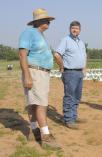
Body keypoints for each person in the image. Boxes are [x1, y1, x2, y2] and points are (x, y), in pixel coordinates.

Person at [19, 8, 61, 149]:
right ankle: (46, 136)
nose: (49, 22)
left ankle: (34, 131)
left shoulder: (39, 34)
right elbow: (22, 55)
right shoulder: (29, 33)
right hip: (35, 73)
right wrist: (27, 75)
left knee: (34, 103)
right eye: (46, 20)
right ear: (38, 21)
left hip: (40, 73)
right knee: (42, 105)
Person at [54, 21, 87, 129]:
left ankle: (74, 116)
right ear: (69, 29)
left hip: (79, 72)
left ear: (80, 30)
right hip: (70, 72)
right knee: (69, 96)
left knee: (77, 96)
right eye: (73, 28)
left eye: (77, 28)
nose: (75, 30)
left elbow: (84, 56)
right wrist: (62, 67)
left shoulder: (80, 42)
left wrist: (84, 69)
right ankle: (68, 119)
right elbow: (57, 54)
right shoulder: (65, 40)